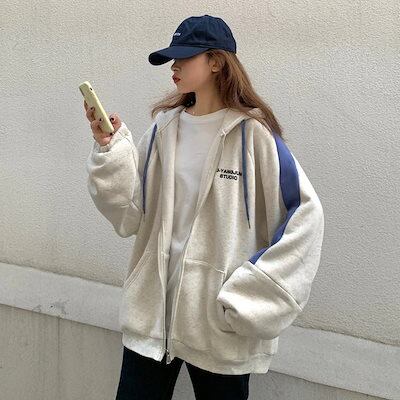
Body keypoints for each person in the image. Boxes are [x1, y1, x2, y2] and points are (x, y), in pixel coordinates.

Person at [84, 14, 325, 400]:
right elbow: (129, 215)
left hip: (218, 325)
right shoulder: (164, 130)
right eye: (172, 58)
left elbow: (305, 216)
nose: (174, 66)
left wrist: (249, 297)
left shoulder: (253, 136)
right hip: (152, 318)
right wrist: (110, 150)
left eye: (185, 57)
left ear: (216, 61)